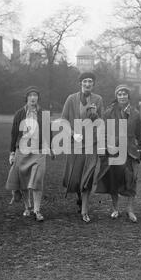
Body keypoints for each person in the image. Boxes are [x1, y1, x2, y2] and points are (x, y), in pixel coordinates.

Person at [95, 85, 141, 222]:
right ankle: (115, 208)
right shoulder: (108, 113)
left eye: (125, 94)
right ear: (116, 96)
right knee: (114, 180)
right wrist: (104, 148)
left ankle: (130, 210)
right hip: (113, 151)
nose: (122, 96)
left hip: (130, 151)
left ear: (128, 96)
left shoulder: (135, 113)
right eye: (120, 94)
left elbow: (140, 133)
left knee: (131, 180)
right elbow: (103, 132)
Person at [61, 72, 104, 223]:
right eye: (85, 81)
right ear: (80, 83)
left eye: (90, 81)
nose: (87, 84)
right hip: (75, 143)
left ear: (93, 84)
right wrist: (73, 134)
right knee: (76, 176)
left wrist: (95, 115)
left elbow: (100, 122)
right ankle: (80, 198)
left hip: (91, 144)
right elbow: (64, 120)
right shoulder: (71, 99)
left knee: (88, 176)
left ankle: (85, 211)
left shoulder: (98, 99)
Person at [6, 86, 51, 222]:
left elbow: (48, 132)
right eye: (30, 95)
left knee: (37, 180)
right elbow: (14, 133)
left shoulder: (44, 114)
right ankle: (27, 207)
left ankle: (37, 210)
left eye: (35, 95)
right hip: (23, 150)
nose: (33, 98)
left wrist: (50, 147)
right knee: (24, 179)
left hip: (39, 150)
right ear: (26, 98)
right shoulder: (19, 114)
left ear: (38, 98)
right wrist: (12, 152)